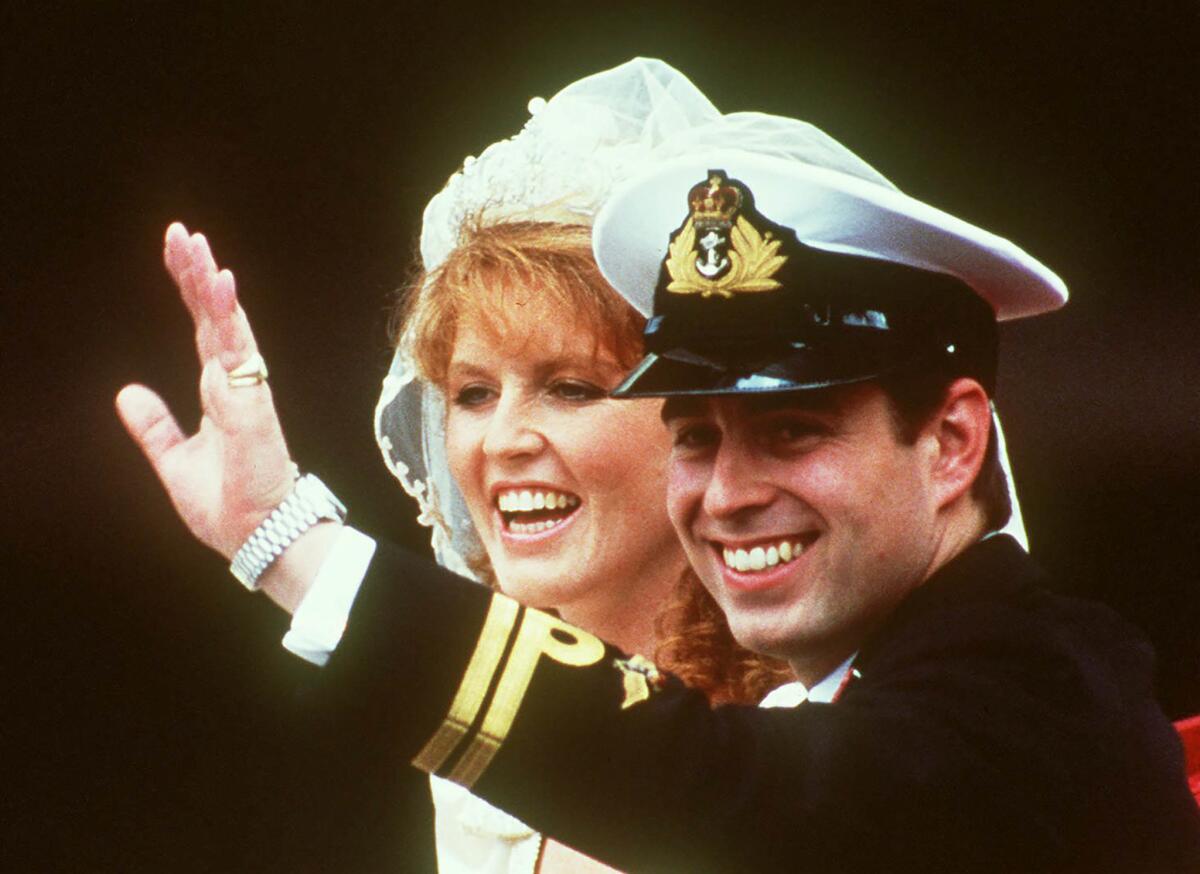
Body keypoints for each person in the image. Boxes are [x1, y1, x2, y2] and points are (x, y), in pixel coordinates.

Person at [118, 65, 1200, 870]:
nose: (727, 492)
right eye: (696, 435)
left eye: (792, 430)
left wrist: (293, 543)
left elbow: (740, 794)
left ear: (955, 444)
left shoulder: (1032, 692)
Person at [121, 59, 789, 873]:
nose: (500, 439)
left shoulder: (809, 735)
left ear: (707, 425)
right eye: (472, 394)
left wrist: (284, 536)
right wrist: (267, 526)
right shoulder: (471, 765)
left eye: (571, 388)